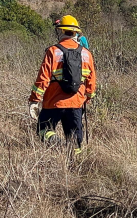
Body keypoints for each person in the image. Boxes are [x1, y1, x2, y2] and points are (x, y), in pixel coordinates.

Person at [28, 15, 96, 153]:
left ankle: (57, 144)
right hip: (76, 102)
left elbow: (43, 79)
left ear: (61, 31)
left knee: (44, 130)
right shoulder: (86, 53)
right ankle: (73, 165)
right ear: (76, 32)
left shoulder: (53, 51)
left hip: (53, 102)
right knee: (75, 139)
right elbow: (91, 82)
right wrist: (86, 98)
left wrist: (34, 100)